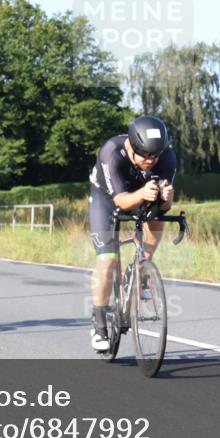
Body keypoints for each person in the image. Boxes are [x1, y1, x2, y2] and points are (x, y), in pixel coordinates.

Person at [87, 116, 176, 351]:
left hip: (141, 195)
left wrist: (167, 200)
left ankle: (143, 267)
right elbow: (121, 200)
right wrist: (145, 194)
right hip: (106, 200)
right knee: (108, 259)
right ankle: (98, 323)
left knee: (157, 212)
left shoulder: (166, 156)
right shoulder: (112, 152)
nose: (151, 160)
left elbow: (163, 205)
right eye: (145, 155)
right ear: (133, 146)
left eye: (155, 156)